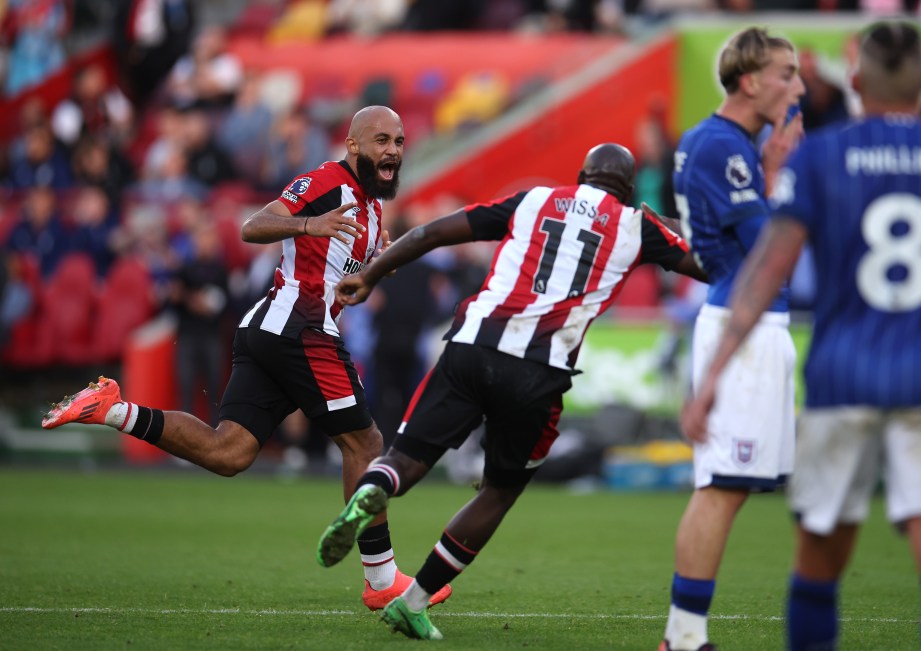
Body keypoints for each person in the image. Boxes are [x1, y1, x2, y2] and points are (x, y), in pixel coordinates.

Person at [40, 106, 452, 612]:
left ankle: (112, 409)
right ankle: (381, 578)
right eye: (382, 140)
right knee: (365, 442)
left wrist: (369, 273)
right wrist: (307, 223)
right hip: (297, 328)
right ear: (352, 145)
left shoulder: (370, 209)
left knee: (228, 453)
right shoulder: (326, 181)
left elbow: (342, 288)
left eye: (400, 141)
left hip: (274, 329)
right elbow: (253, 225)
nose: (392, 150)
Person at [315, 143, 708, 640]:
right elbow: (708, 265)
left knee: (407, 456)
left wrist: (369, 275)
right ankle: (415, 602)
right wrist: (667, 221)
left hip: (473, 344)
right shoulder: (637, 226)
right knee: (498, 491)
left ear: (581, 175)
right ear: (628, 191)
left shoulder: (536, 199)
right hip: (538, 373)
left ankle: (379, 485)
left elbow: (432, 232)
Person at [682, 21, 921, 651]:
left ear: (856, 81)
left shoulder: (821, 156)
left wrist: (713, 373)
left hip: (843, 376)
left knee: (818, 562)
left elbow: (766, 271)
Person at [660, 27, 805, 651]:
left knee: (732, 488)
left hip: (748, 323)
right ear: (751, 81)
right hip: (740, 325)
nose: (797, 87)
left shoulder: (728, 143)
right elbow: (769, 252)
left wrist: (770, 169)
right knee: (720, 487)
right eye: (787, 73)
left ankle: (685, 635)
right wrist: (780, 179)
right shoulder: (723, 146)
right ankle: (684, 638)